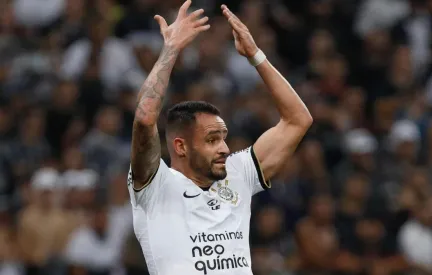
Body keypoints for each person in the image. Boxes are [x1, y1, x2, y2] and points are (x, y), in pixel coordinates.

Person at [126, 1, 312, 274]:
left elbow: (298, 120)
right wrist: (171, 49)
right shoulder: (155, 186)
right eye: (213, 140)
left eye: (224, 138)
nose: (225, 148)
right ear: (181, 146)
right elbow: (144, 117)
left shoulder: (237, 173)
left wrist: (255, 56)